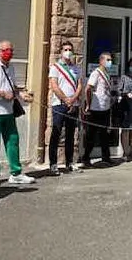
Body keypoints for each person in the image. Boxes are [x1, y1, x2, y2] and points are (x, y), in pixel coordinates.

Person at [0, 40, 35, 187]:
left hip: (8, 111)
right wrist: (2, 94)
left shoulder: (11, 67)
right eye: (6, 50)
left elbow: (12, 86)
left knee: (13, 141)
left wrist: (21, 94)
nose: (9, 53)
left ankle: (16, 173)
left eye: (11, 50)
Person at [48, 41, 83, 176]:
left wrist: (73, 99)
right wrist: (66, 100)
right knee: (56, 134)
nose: (68, 52)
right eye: (66, 49)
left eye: (70, 50)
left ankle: (69, 162)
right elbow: (54, 86)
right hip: (59, 104)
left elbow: (80, 85)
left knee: (70, 135)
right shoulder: (56, 67)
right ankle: (53, 164)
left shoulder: (76, 68)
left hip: (73, 105)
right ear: (61, 52)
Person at [83, 52, 114, 167]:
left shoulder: (107, 74)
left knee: (105, 135)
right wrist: (88, 104)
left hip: (105, 109)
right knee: (91, 135)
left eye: (110, 60)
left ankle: (106, 158)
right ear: (101, 61)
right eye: (108, 60)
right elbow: (88, 89)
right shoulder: (96, 73)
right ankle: (86, 158)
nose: (110, 62)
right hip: (95, 109)